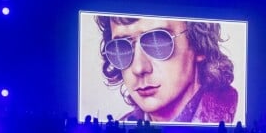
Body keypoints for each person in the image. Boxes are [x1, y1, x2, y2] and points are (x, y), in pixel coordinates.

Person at [94, 15, 238, 123]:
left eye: (158, 42)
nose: (139, 68)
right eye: (121, 48)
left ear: (198, 45)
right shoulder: (121, 130)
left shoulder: (237, 118)